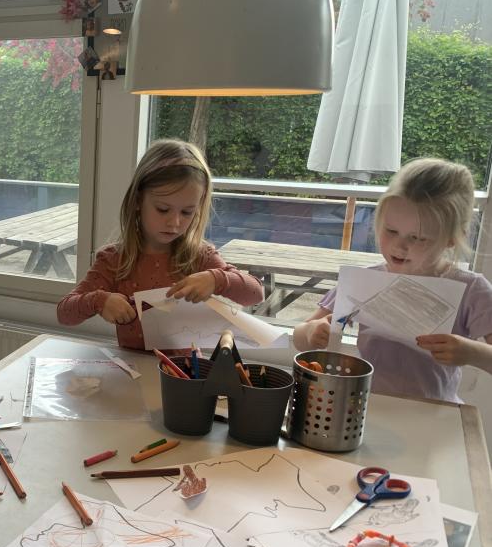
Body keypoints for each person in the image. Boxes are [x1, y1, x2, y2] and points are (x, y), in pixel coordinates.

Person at [293, 158, 492, 403]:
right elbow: (299, 337)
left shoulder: (472, 290)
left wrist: (472, 353)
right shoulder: (363, 280)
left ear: (452, 238)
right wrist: (311, 332)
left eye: (418, 238)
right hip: (364, 407)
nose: (400, 246)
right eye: (391, 231)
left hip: (433, 412)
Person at [57, 139, 264, 349]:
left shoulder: (200, 257)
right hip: (131, 367)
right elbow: (64, 313)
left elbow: (256, 294)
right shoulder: (115, 259)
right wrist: (98, 301)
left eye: (187, 212)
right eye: (163, 209)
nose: (174, 222)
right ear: (138, 201)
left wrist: (216, 279)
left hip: (185, 369)